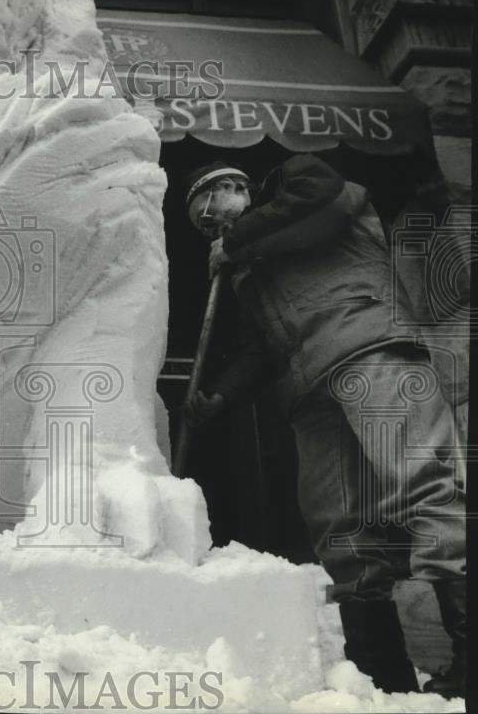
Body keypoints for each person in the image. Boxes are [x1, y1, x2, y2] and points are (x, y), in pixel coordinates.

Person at [181, 155, 466, 697]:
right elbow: (261, 347)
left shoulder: (298, 180)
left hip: (368, 346)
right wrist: (221, 395)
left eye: (213, 213)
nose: (213, 227)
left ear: (234, 187)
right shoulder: (248, 266)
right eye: (206, 227)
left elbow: (322, 207)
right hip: (309, 393)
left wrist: (238, 241)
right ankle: (380, 677)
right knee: (337, 528)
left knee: (425, 486)